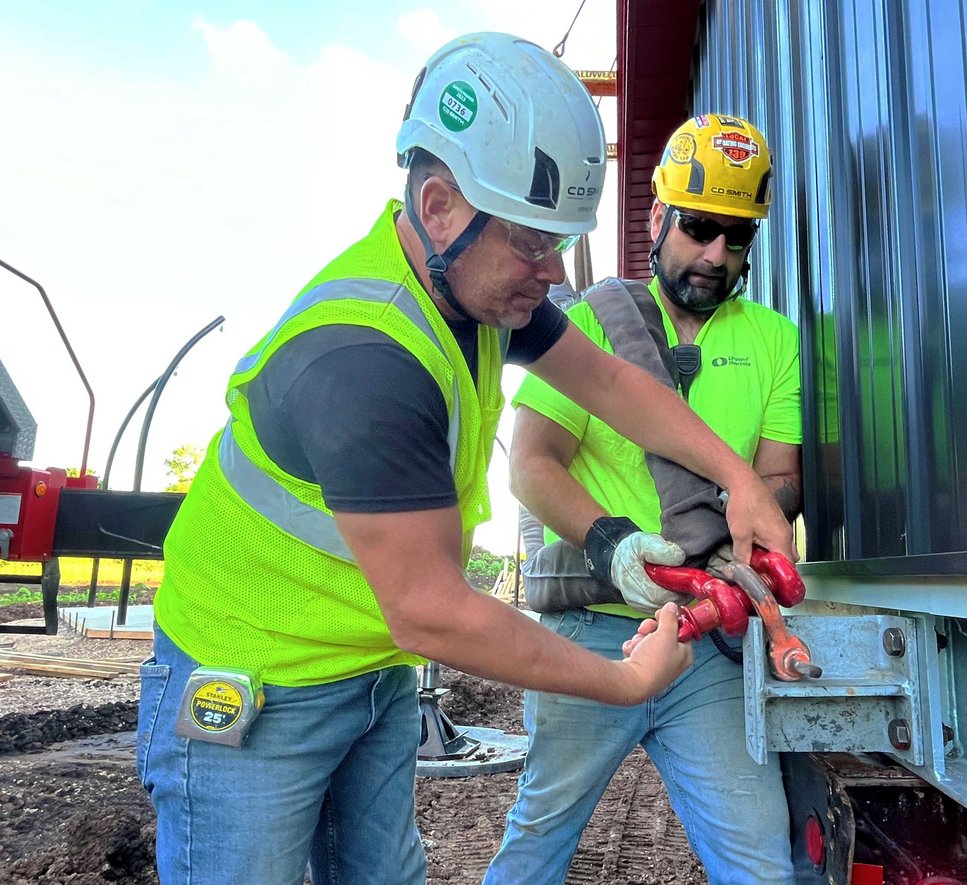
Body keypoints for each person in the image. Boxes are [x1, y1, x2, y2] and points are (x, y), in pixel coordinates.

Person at [135, 35, 792, 885]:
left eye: (561, 242)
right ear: (441, 204)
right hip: (252, 682)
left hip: (364, 668)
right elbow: (432, 610)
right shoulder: (365, 360)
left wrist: (740, 479)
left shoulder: (477, 287)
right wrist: (623, 682)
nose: (552, 271)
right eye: (532, 243)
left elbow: (612, 384)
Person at [484, 113, 803, 885]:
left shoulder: (774, 338)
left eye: (736, 238)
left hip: (705, 650)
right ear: (658, 217)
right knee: (535, 850)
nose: (715, 255)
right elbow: (531, 463)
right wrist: (611, 541)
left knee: (763, 864)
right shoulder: (591, 320)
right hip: (591, 631)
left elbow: (780, 477)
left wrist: (756, 513)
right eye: (698, 228)